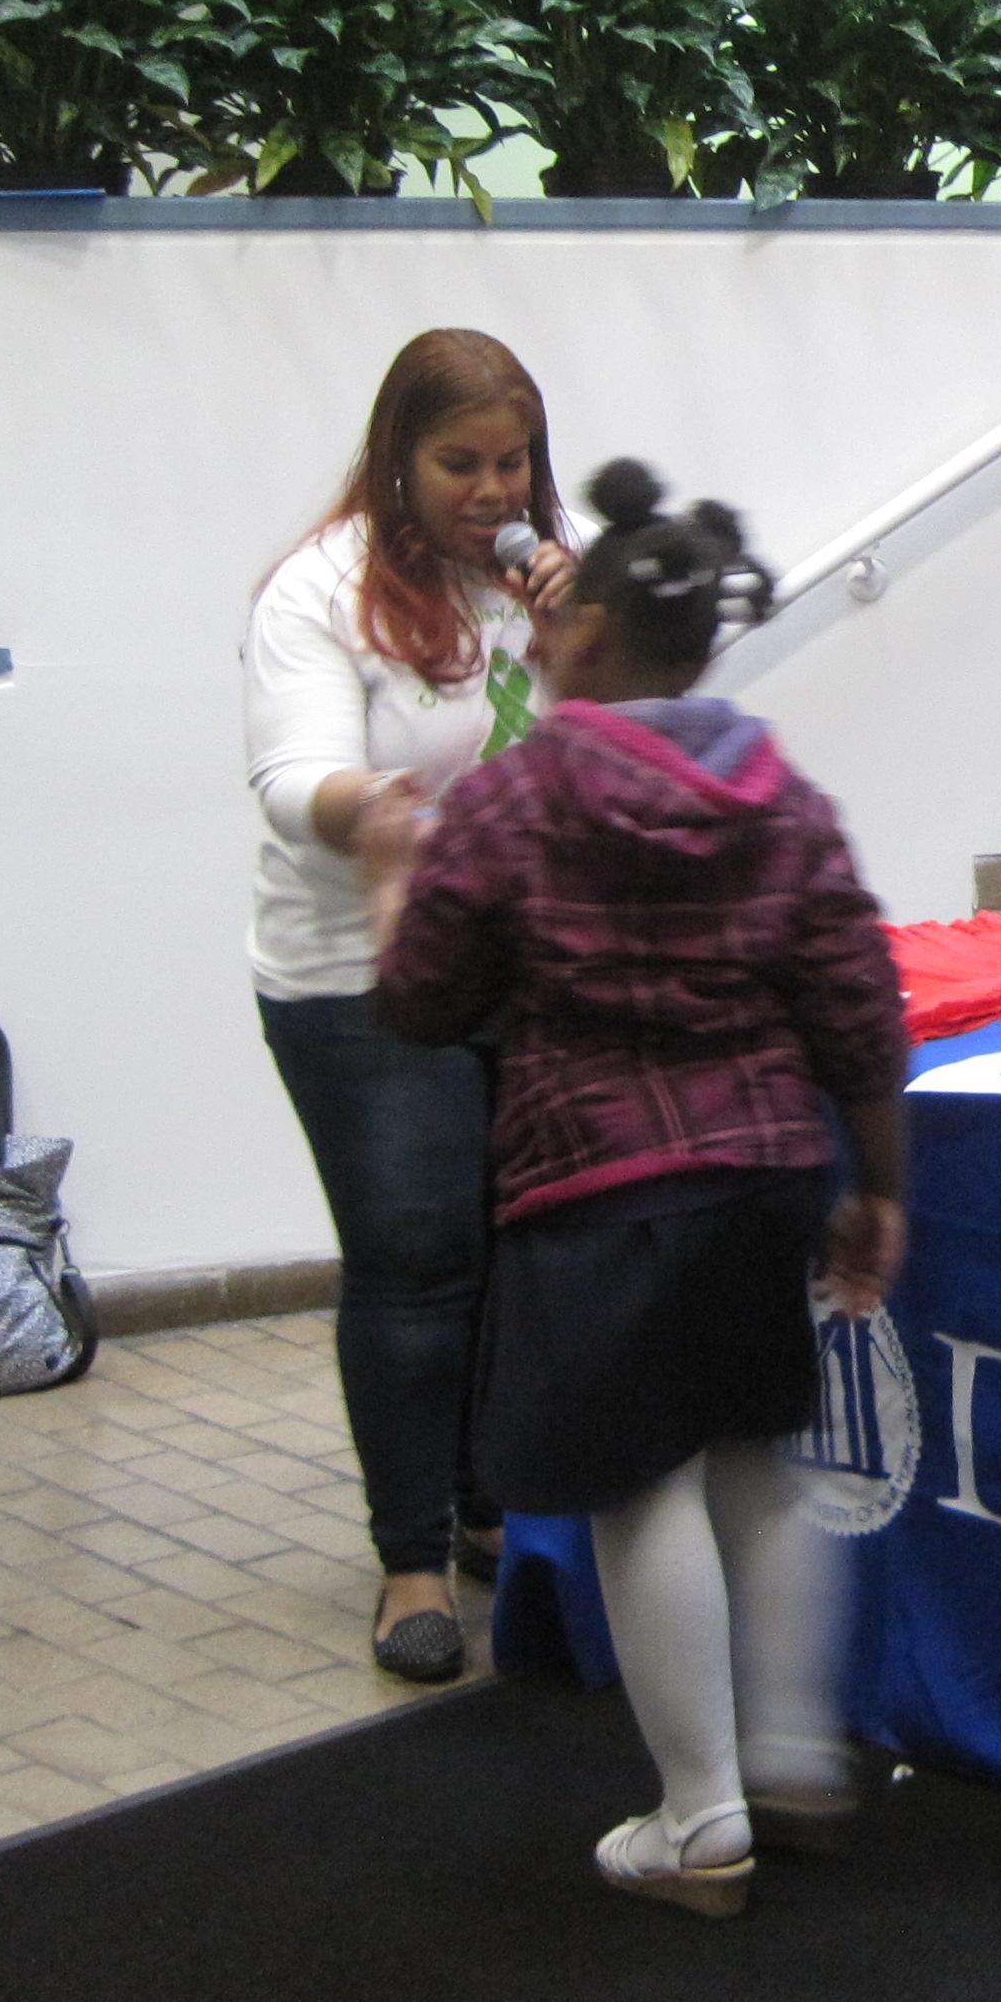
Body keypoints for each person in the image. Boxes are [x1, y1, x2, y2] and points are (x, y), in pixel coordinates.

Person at [365, 462, 910, 1919]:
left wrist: (389, 885)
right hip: (767, 1178)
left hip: (598, 1191)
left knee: (640, 1485)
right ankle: (792, 1760)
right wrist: (881, 1186)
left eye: (553, 624)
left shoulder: (516, 801)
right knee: (759, 1462)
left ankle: (702, 1820)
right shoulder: (784, 798)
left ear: (590, 637)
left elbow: (423, 1000)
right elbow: (860, 1003)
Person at [244, 328, 577, 1681]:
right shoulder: (318, 591)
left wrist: (584, 637)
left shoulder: (539, 576)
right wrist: (368, 813)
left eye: (513, 463)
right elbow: (290, 782)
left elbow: (607, 739)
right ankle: (411, 1561)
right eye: (459, 465)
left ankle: (491, 1505)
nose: (492, 492)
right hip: (358, 974)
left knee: (515, 1241)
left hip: (515, 960)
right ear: (398, 461)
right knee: (417, 1252)